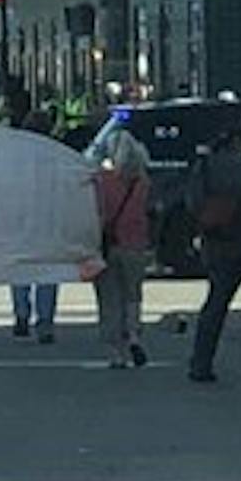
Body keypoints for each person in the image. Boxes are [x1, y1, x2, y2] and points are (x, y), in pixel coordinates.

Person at [186, 123, 241, 383]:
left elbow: (192, 201)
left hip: (215, 241)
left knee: (216, 301)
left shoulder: (205, 165)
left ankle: (201, 362)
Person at [92, 130, 153, 370]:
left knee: (110, 299)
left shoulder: (102, 181)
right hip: (136, 245)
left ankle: (117, 352)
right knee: (133, 295)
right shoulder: (143, 182)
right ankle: (135, 336)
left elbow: (95, 213)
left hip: (107, 245)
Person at [9, 104, 62, 344]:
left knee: (20, 267)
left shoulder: (17, 157)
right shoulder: (57, 155)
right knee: (48, 271)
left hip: (20, 217)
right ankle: (45, 322)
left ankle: (21, 314)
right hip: (49, 218)